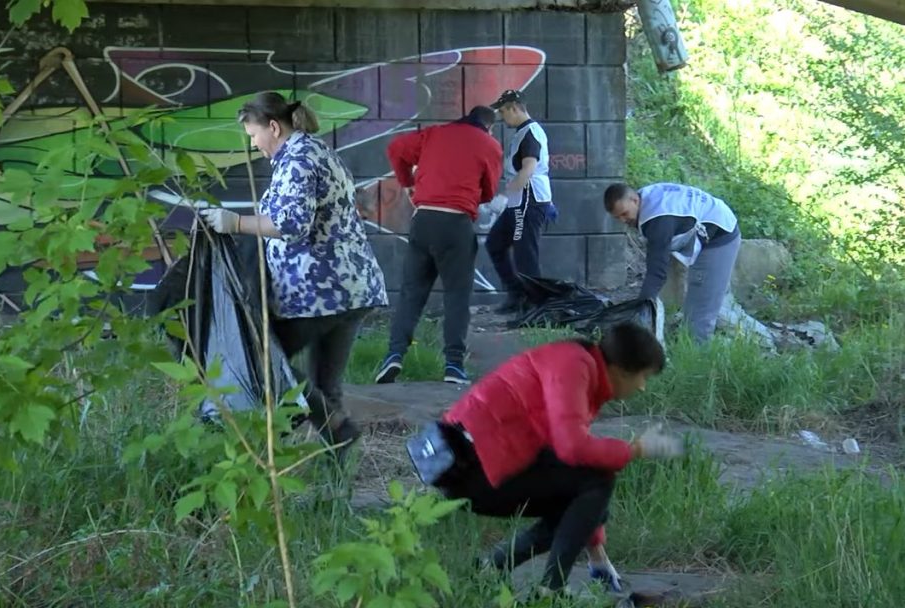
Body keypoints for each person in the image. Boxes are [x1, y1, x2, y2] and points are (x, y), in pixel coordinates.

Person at [415, 322, 683, 598]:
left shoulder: (583, 364)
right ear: (621, 370)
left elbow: (577, 476)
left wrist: (597, 552)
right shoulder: (574, 366)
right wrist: (634, 450)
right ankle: (550, 591)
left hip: (476, 463)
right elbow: (573, 449)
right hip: (468, 469)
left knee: (590, 490)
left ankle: (491, 566)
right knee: (599, 480)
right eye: (643, 377)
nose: (641, 388)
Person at [199, 91, 388, 454]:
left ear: (273, 127)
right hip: (352, 288)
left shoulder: (298, 159)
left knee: (263, 359)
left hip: (317, 293)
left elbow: (292, 224)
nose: (254, 144)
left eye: (254, 135)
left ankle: (320, 434)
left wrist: (235, 222)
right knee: (325, 384)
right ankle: (335, 480)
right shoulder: (316, 152)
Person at [374, 106, 503, 386]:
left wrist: (408, 183)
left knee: (411, 292)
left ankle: (394, 354)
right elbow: (489, 191)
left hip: (423, 219)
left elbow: (396, 148)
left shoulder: (434, 133)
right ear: (488, 127)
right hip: (456, 224)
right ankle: (454, 366)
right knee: (457, 296)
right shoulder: (489, 145)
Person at [604, 182, 741, 343]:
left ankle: (697, 356)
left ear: (634, 200)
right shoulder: (644, 198)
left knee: (699, 312)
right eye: (617, 217)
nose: (623, 220)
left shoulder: (657, 221)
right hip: (711, 221)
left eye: (624, 214)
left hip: (720, 236)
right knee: (709, 300)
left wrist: (641, 307)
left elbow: (657, 272)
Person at [486, 89, 558, 316]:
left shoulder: (530, 133)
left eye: (503, 112)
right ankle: (517, 295)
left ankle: (536, 308)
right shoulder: (522, 133)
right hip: (519, 203)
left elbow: (529, 168)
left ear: (514, 108)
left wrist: (506, 196)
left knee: (525, 255)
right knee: (495, 244)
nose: (502, 117)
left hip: (528, 202)